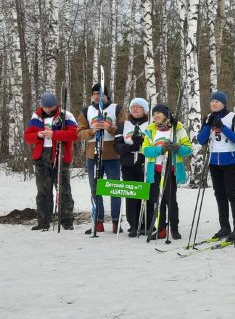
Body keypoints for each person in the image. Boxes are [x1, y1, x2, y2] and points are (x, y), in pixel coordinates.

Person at [24, 92, 79, 231]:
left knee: (64, 190)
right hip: (41, 157)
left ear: (56, 104)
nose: (48, 109)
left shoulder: (66, 115)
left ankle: (67, 220)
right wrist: (38, 134)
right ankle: (43, 221)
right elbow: (28, 137)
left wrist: (55, 134)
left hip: (60, 156)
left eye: (51, 106)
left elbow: (74, 134)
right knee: (43, 190)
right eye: (46, 107)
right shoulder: (36, 116)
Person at [77, 84, 127, 234]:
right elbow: (79, 133)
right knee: (95, 188)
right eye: (95, 94)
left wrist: (109, 127)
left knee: (114, 188)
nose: (98, 96)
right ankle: (98, 221)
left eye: (101, 94)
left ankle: (116, 221)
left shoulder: (117, 109)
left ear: (107, 95)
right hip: (93, 155)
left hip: (112, 155)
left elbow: (124, 131)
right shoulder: (87, 111)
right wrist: (92, 131)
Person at [196, 91, 235, 242]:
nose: (214, 103)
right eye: (212, 101)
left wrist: (222, 127)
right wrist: (207, 124)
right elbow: (201, 140)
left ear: (224, 103)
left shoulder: (233, 117)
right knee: (219, 194)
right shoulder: (208, 117)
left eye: (217, 101)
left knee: (231, 194)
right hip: (214, 161)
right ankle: (225, 226)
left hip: (230, 160)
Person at [142, 103, 192, 240]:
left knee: (171, 200)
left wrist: (177, 147)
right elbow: (145, 150)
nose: (156, 116)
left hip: (170, 171)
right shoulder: (150, 130)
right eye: (154, 114)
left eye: (159, 113)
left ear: (166, 115)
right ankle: (161, 229)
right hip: (155, 171)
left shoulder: (178, 128)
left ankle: (174, 229)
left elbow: (188, 149)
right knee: (157, 201)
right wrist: (160, 150)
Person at [114, 98, 151, 237]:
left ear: (144, 110)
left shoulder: (150, 124)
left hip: (144, 163)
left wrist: (141, 143)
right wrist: (129, 147)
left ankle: (145, 224)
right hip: (128, 163)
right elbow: (116, 145)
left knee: (144, 193)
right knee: (131, 194)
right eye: (133, 106)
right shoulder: (124, 125)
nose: (135, 109)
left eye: (139, 107)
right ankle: (133, 225)